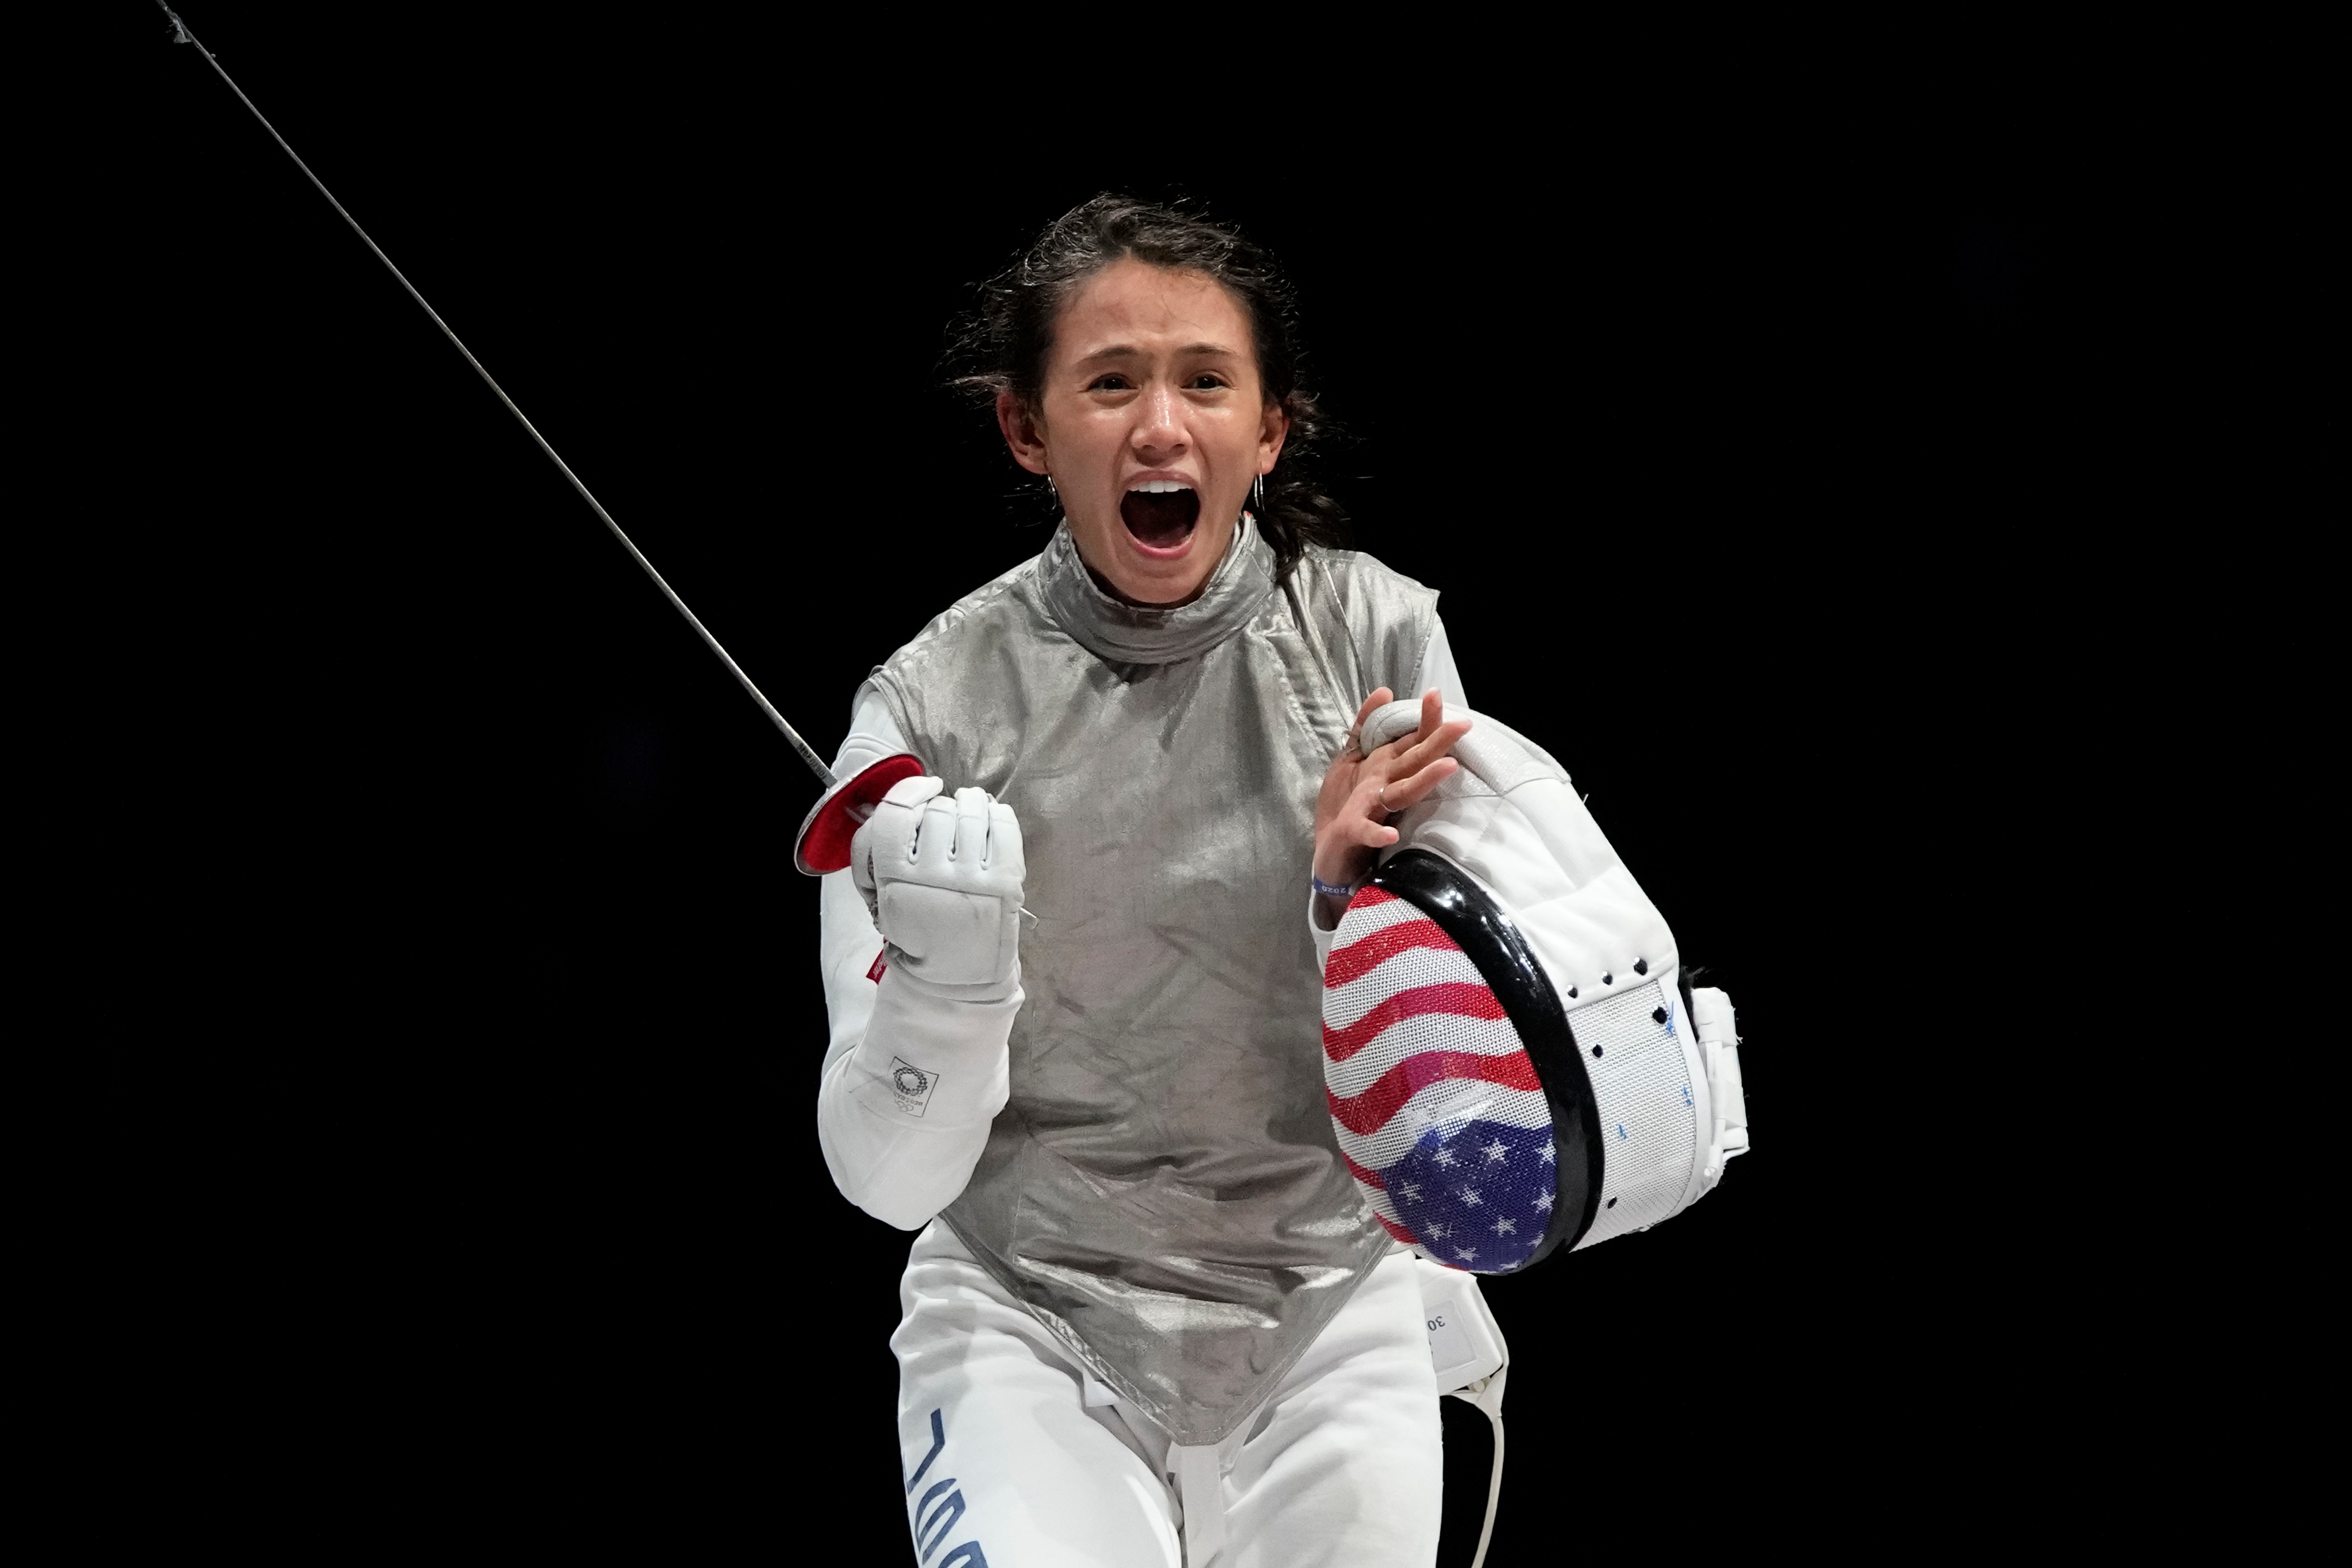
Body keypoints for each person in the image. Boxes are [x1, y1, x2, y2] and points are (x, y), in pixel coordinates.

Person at [815, 195, 1475, 1568]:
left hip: (1329, 1310)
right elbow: (884, 1177)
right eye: (1110, 383)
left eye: (1204, 382)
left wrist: (1373, 910)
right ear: (1029, 428)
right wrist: (946, 990)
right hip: (1030, 1317)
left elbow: (1478, 1086)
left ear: (1268, 429)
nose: (1160, 428)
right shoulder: (928, 713)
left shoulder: (1378, 638)